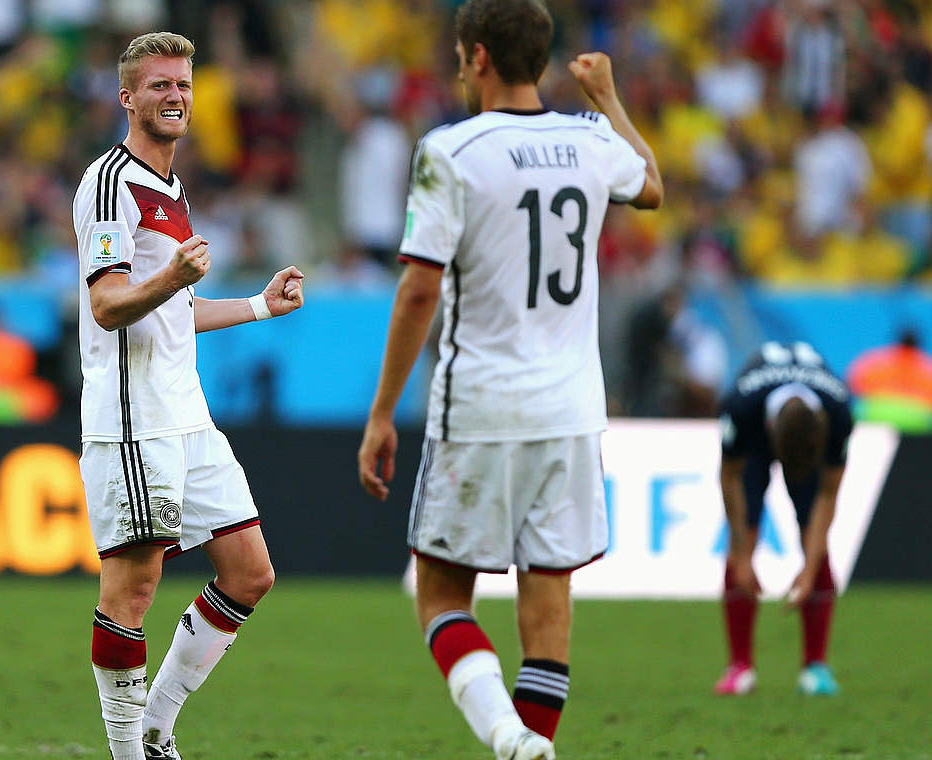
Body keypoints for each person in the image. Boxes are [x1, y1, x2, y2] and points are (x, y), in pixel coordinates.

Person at [357, 2, 662, 758]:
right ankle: (532, 745)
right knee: (548, 595)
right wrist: (609, 100)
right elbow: (651, 186)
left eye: (461, 57)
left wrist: (382, 412)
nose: (459, 69)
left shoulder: (449, 150)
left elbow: (420, 291)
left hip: (482, 406)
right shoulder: (590, 141)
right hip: (570, 409)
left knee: (439, 597)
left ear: (481, 56)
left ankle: (504, 734)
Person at [71, 32, 304, 760]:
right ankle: (126, 752)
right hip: (135, 415)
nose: (175, 96)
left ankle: (156, 725)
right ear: (127, 98)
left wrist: (260, 306)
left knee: (249, 572)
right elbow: (110, 304)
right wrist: (171, 278)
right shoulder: (110, 183)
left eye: (183, 84)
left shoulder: (172, 189)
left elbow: (174, 310)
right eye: (159, 85)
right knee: (132, 591)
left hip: (187, 414)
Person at [714, 340, 854, 697]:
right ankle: (740, 666)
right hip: (756, 440)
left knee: (815, 540)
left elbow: (828, 492)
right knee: (744, 531)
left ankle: (816, 667)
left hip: (805, 435)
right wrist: (742, 556)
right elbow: (729, 477)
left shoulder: (838, 413)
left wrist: (809, 570)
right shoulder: (741, 407)